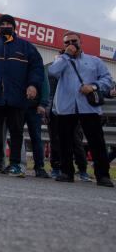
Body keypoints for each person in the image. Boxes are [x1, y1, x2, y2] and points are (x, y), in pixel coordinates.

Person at [0, 14, 44, 176]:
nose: (5, 26)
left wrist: (33, 85)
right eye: (2, 24)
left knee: (16, 131)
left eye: (8, 24)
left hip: (17, 97)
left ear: (14, 27)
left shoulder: (26, 47)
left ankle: (16, 165)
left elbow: (37, 68)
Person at [47, 31, 114, 187]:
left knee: (96, 141)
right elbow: (52, 72)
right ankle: (66, 172)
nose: (71, 44)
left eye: (74, 41)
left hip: (89, 107)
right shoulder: (60, 61)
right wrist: (66, 56)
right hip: (66, 107)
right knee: (64, 141)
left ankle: (102, 175)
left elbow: (107, 79)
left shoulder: (94, 61)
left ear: (81, 42)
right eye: (67, 42)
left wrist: (93, 86)